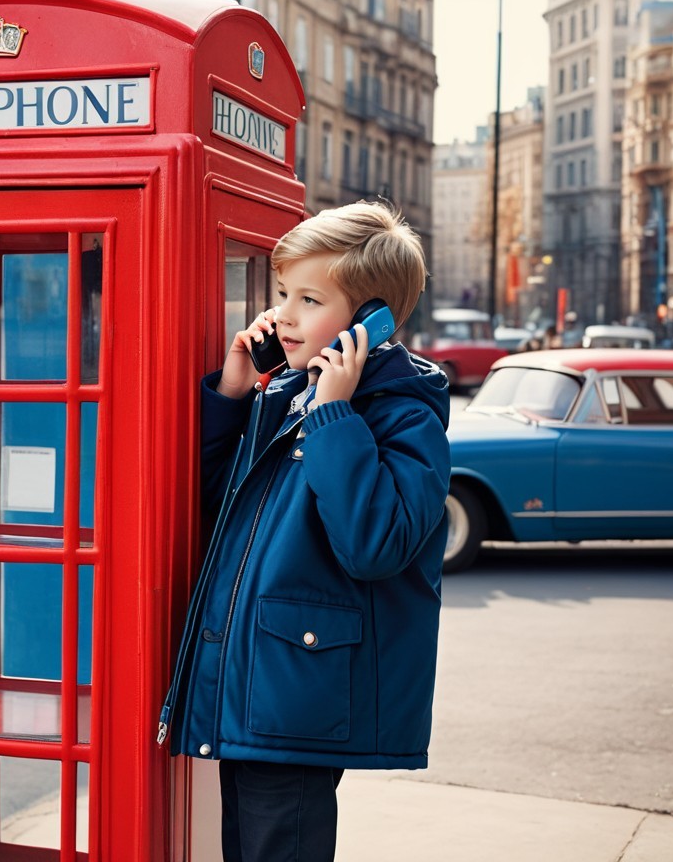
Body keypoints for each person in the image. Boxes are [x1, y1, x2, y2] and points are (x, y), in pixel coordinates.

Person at [158, 201, 451, 862]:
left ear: (370, 321)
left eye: (310, 298)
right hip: (257, 680)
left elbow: (374, 544)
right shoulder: (289, 391)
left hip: (298, 691)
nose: (283, 314)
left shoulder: (402, 415)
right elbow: (219, 509)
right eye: (282, 292)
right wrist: (232, 396)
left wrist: (336, 416)